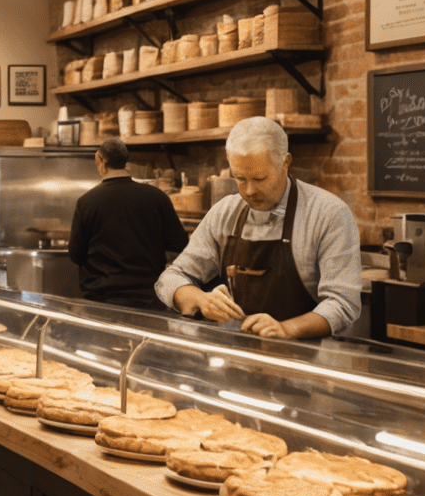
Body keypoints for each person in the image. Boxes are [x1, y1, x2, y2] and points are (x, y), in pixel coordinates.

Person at [155, 117, 361, 340]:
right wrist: (199, 299)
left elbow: (343, 303)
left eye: (260, 178)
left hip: (305, 358)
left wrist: (287, 329)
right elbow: (170, 278)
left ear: (286, 162)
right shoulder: (224, 213)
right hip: (241, 355)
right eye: (240, 179)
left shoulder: (328, 214)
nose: (250, 191)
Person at [67, 138, 188, 308]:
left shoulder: (86, 202)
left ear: (100, 162)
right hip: (150, 299)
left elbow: (75, 254)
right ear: (125, 161)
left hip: (102, 301)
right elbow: (180, 244)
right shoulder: (157, 197)